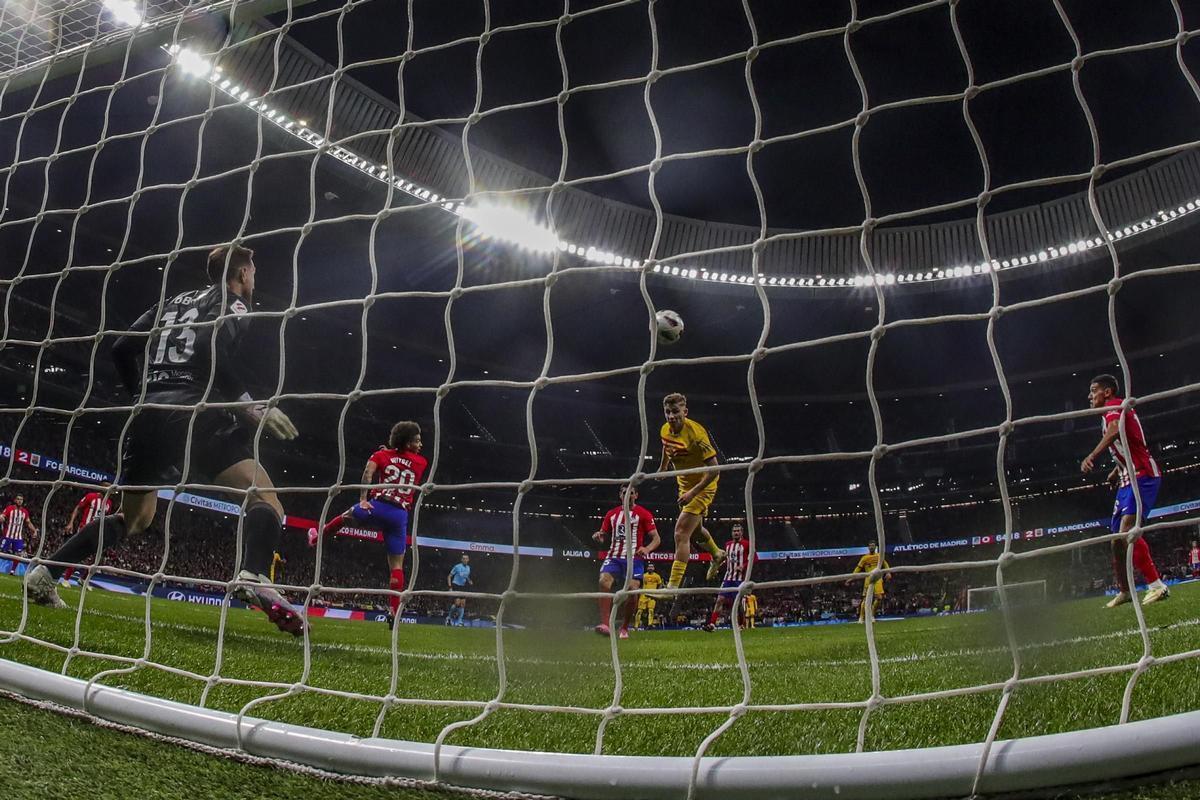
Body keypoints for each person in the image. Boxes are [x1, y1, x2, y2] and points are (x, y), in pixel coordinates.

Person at [24, 245, 305, 635]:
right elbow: (210, 350)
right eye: (253, 271)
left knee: (136, 518)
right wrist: (251, 406)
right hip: (189, 415)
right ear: (241, 274)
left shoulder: (169, 304)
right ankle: (254, 573)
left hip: (145, 417)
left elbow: (121, 347)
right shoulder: (234, 304)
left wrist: (141, 395)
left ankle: (44, 573)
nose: (254, 279)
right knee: (264, 495)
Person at [308, 422, 427, 626]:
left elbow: (367, 474)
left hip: (376, 506)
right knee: (397, 566)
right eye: (417, 440)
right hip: (399, 515)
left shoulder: (380, 456)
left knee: (345, 516)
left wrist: (363, 498)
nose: (421, 444)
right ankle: (395, 611)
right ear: (407, 443)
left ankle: (317, 539)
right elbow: (402, 463)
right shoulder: (421, 462)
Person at [1080, 375, 1170, 607]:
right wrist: (1115, 470)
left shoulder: (1114, 406)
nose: (1090, 396)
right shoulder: (1106, 413)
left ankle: (1156, 585)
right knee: (1116, 541)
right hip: (1126, 479)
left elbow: (1114, 431)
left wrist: (1092, 454)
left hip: (1143, 475)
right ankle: (1125, 591)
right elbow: (1125, 442)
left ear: (1107, 392)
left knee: (1127, 531)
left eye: (1094, 391)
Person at [658, 393, 724, 592]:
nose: (671, 416)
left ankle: (672, 588)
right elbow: (666, 447)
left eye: (675, 412)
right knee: (694, 531)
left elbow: (714, 469)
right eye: (668, 412)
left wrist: (693, 493)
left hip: (704, 485)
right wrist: (663, 468)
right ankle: (717, 554)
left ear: (685, 412)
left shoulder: (696, 433)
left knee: (680, 532)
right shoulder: (664, 429)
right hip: (684, 484)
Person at [592, 484, 660, 638]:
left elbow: (656, 539)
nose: (627, 495)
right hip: (614, 556)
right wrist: (599, 536)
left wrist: (647, 549)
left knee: (632, 591)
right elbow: (603, 534)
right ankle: (605, 624)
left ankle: (624, 627)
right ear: (620, 495)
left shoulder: (643, 514)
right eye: (624, 493)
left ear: (636, 495)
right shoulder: (611, 514)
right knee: (604, 582)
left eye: (631, 493)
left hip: (634, 559)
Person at [61, 483, 116, 585]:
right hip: (84, 529)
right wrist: (71, 523)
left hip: (97, 532)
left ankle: (83, 580)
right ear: (102, 488)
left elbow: (105, 519)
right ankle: (66, 579)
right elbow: (78, 508)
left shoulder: (109, 503)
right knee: (76, 554)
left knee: (96, 558)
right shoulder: (91, 496)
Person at [704, 522, 751, 632]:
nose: (736, 533)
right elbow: (727, 559)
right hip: (728, 577)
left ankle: (742, 624)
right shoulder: (728, 545)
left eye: (738, 531)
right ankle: (712, 624)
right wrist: (717, 566)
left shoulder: (747, 544)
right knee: (720, 600)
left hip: (739, 579)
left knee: (738, 603)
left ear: (742, 532)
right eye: (734, 531)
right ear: (731, 533)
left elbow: (754, 558)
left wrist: (743, 566)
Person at [846, 541, 890, 622]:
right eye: (870, 546)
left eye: (873, 546)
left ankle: (872, 615)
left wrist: (888, 572)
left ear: (875, 547)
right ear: (868, 547)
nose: (871, 547)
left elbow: (885, 564)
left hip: (878, 579)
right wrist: (851, 577)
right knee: (865, 599)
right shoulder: (865, 558)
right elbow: (858, 568)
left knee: (879, 598)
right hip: (868, 579)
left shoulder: (879, 556)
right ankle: (861, 617)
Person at [0, 494, 38, 577]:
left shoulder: (25, 512)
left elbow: (28, 522)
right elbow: (2, 516)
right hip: (7, 535)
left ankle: (12, 571)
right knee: (1, 552)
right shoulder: (9, 508)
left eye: (21, 499)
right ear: (15, 500)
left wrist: (34, 530)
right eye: (18, 499)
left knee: (18, 554)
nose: (20, 501)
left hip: (18, 538)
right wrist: (1, 517)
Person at [634, 562, 663, 629]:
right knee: (639, 611)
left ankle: (650, 624)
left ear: (654, 568)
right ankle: (636, 625)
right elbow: (639, 583)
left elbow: (660, 584)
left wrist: (657, 592)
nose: (650, 568)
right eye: (649, 567)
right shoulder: (643, 575)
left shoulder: (657, 576)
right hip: (643, 595)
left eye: (652, 567)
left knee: (651, 610)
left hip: (652, 595)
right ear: (647, 568)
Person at [446, 554, 472, 626]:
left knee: (463, 604)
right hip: (455, 585)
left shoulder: (468, 568)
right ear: (461, 560)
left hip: (463, 586)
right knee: (457, 603)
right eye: (463, 558)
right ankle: (449, 618)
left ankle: (459, 621)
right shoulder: (457, 566)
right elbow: (449, 576)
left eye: (466, 558)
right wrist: (450, 587)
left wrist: (469, 580)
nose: (465, 560)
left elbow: (466, 576)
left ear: (468, 560)